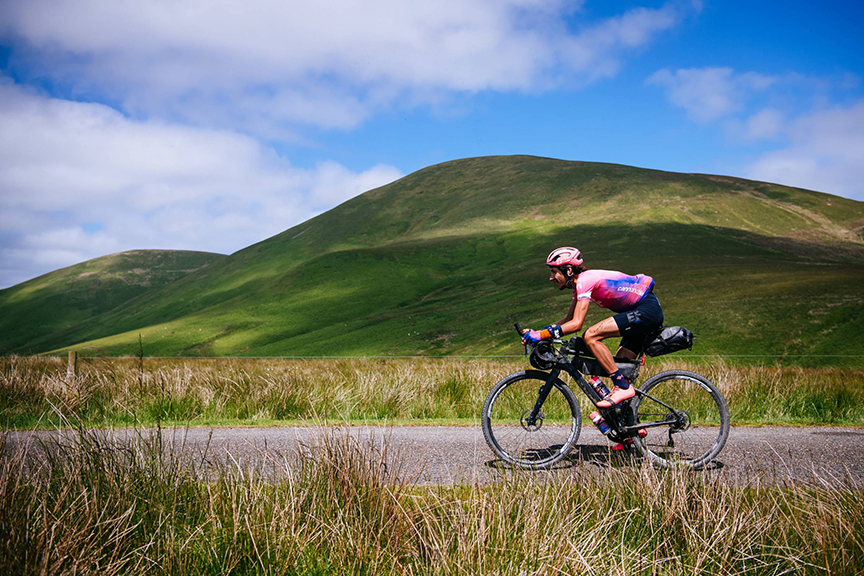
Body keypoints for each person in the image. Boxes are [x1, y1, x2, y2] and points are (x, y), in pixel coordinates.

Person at [522, 246, 663, 407]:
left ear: (568, 270)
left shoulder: (584, 280)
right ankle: (627, 423)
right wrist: (538, 332)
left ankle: (623, 388)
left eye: (554, 272)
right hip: (637, 313)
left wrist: (543, 335)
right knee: (622, 366)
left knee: (590, 336)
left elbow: (576, 324)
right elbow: (568, 318)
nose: (551, 277)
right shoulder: (578, 285)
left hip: (646, 310)